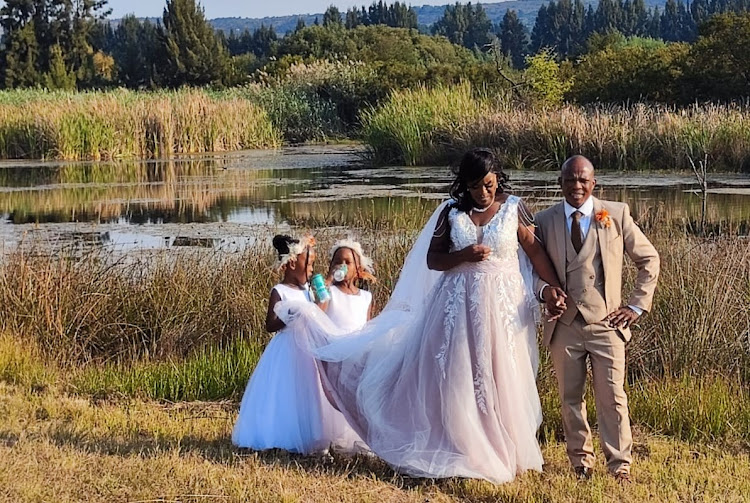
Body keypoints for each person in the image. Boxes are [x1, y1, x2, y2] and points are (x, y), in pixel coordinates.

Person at [275, 149, 564, 484]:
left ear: (497, 177)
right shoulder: (452, 212)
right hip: (455, 307)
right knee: (456, 376)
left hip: (501, 309)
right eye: (474, 186)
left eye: (487, 184)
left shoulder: (514, 208)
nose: (482, 192)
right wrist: (463, 255)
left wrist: (555, 288)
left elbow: (535, 252)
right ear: (464, 185)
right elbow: (433, 260)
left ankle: (508, 450)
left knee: (500, 375)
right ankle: (462, 446)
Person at [534, 155, 660, 483]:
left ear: (594, 182)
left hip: (607, 324)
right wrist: (546, 292)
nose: (576, 186)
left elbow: (649, 259)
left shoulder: (615, 214)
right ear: (560, 183)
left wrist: (635, 306)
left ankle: (619, 466)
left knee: (613, 397)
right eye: (570, 180)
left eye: (583, 180)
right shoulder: (543, 220)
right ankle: (581, 463)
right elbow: (530, 272)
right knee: (570, 398)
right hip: (564, 326)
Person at [232, 234, 363, 455]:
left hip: (306, 351)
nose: (312, 270)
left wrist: (319, 300)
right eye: (309, 264)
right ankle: (280, 435)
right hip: (286, 351)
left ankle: (310, 437)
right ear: (293, 264)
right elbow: (270, 325)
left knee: (309, 394)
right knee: (285, 392)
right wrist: (292, 315)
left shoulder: (307, 292)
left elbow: (316, 315)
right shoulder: (280, 291)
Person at [324, 239, 376, 331]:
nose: (342, 266)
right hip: (334, 342)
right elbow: (317, 315)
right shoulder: (329, 291)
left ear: (357, 268)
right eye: (337, 262)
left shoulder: (366, 297)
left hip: (357, 343)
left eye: (348, 262)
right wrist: (329, 279)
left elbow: (367, 327)